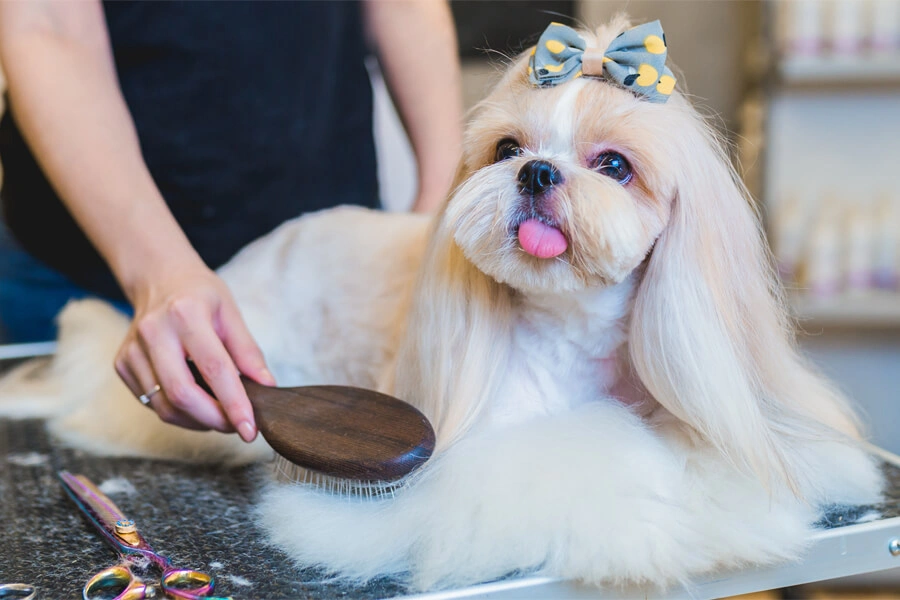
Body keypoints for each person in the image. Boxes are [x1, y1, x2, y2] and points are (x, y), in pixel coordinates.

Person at [0, 1, 462, 443]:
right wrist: (159, 273)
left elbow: (406, 5)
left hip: (336, 287)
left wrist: (445, 206)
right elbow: (48, 22)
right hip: (91, 262)